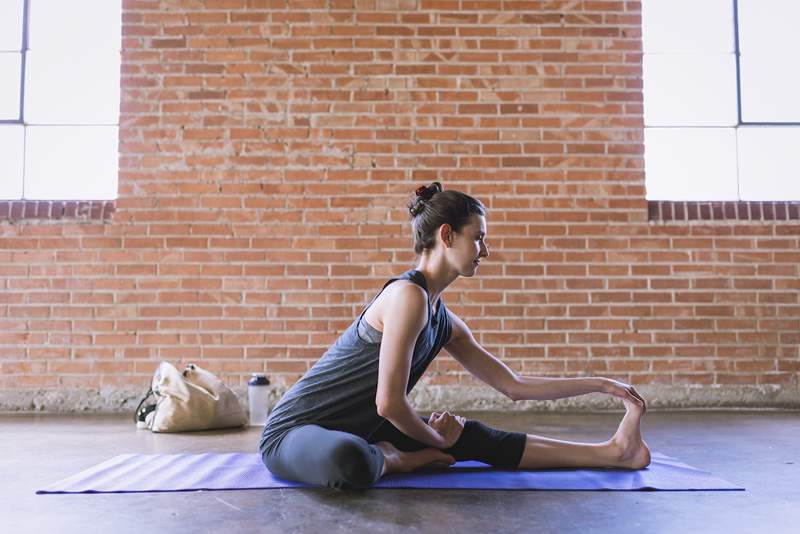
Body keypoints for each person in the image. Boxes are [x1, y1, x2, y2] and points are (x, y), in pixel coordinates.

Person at [259, 182, 650, 490]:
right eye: (478, 237)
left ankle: (615, 452)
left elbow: (513, 385)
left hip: (364, 430)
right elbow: (389, 403)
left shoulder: (443, 319)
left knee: (470, 434)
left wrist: (600, 384)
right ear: (447, 235)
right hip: (294, 433)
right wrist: (433, 441)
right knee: (350, 461)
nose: (485, 250)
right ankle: (398, 460)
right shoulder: (406, 296)